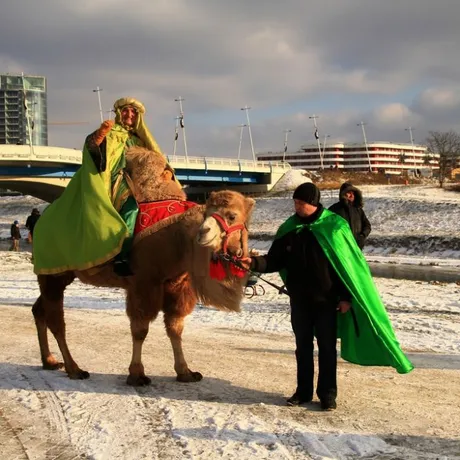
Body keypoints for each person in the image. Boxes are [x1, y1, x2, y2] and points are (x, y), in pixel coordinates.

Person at [243, 182, 413, 411]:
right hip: (300, 300)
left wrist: (345, 297)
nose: (297, 207)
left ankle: (327, 395)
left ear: (312, 203)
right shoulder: (289, 229)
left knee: (327, 348)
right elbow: (275, 260)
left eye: (300, 203)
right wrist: (253, 262)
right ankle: (302, 392)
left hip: (327, 301)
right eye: (295, 202)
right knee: (302, 347)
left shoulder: (334, 227)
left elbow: (346, 267)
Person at [33, 97, 177, 276]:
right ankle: (122, 256)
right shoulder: (111, 133)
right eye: (125, 110)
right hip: (119, 181)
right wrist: (99, 136)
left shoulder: (142, 139)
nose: (129, 114)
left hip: (145, 183)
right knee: (131, 208)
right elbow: (93, 153)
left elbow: (156, 158)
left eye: (133, 112)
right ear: (119, 113)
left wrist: (166, 171)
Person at [328, 182, 371, 249]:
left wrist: (362, 236)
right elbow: (328, 229)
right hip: (340, 249)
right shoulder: (334, 209)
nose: (352, 195)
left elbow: (367, 226)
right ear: (343, 194)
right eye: (349, 193)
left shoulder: (358, 210)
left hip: (357, 248)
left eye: (353, 193)